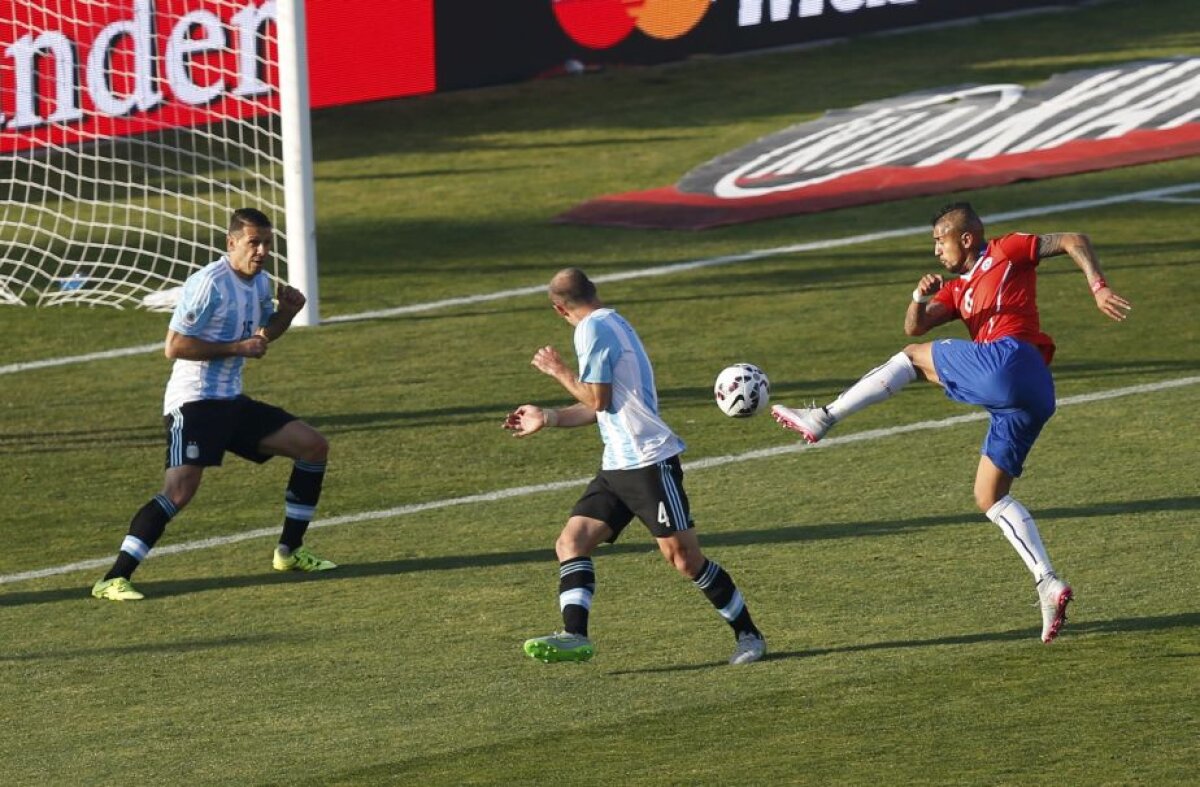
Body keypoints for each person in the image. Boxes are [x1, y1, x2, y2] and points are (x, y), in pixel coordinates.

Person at [772, 202, 1131, 643]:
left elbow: (1075, 240)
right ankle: (1047, 581)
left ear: (965, 237)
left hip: (1012, 361)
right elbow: (914, 328)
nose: (935, 250)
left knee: (909, 362)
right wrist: (918, 297)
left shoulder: (1008, 250)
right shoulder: (959, 291)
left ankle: (823, 417)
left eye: (939, 240)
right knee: (989, 495)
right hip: (1029, 397)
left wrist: (1097, 286)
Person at [504, 268, 767, 665]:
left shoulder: (591, 330)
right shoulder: (614, 321)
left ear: (560, 310)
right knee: (571, 543)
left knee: (684, 559)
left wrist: (558, 371)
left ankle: (749, 636)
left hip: (649, 463)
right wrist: (550, 416)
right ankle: (575, 635)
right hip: (617, 466)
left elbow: (598, 401)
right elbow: (604, 407)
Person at [91, 208, 336, 601]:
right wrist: (237, 348)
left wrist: (286, 315)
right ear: (232, 242)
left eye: (267, 243)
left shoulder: (260, 283)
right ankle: (113, 578)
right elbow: (174, 347)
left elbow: (261, 337)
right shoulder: (208, 284)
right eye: (254, 242)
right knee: (179, 492)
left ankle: (289, 552)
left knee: (313, 446)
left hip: (231, 400)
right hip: (195, 402)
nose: (262, 251)